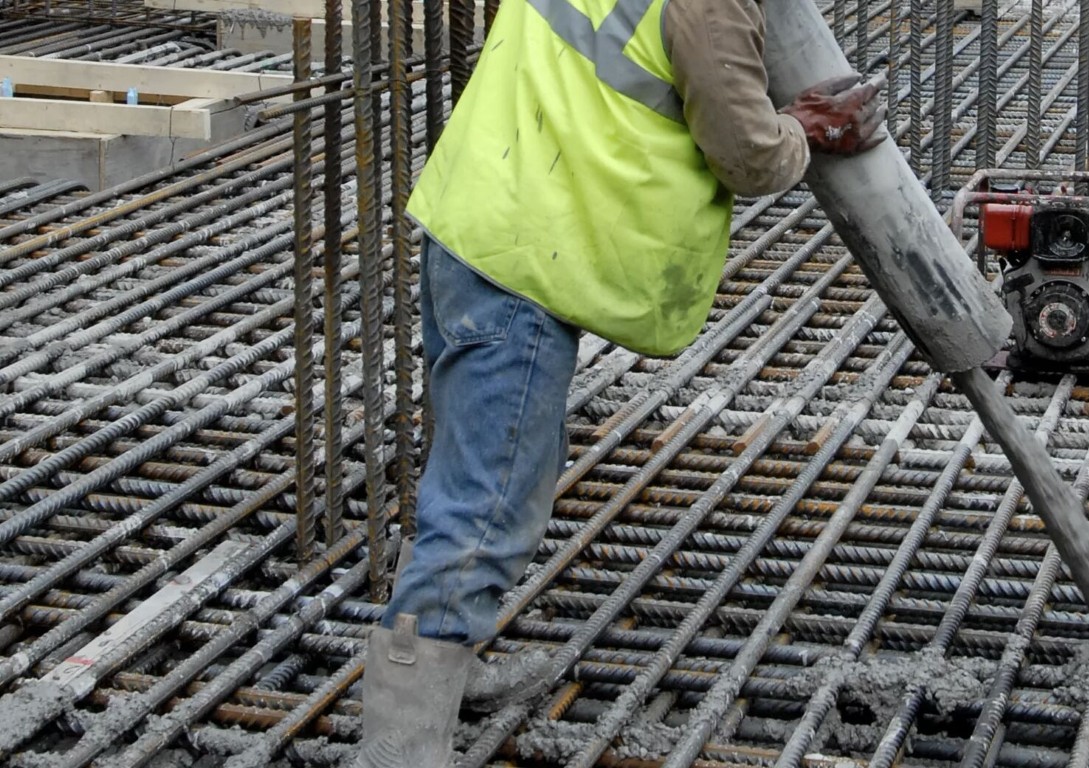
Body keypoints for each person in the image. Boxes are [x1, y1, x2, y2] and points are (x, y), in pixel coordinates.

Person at [356, 0, 884, 764]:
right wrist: (800, 130)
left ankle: (444, 661)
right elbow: (743, 152)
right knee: (486, 503)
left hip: (476, 215)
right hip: (529, 257)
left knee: (471, 477)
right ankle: (398, 747)